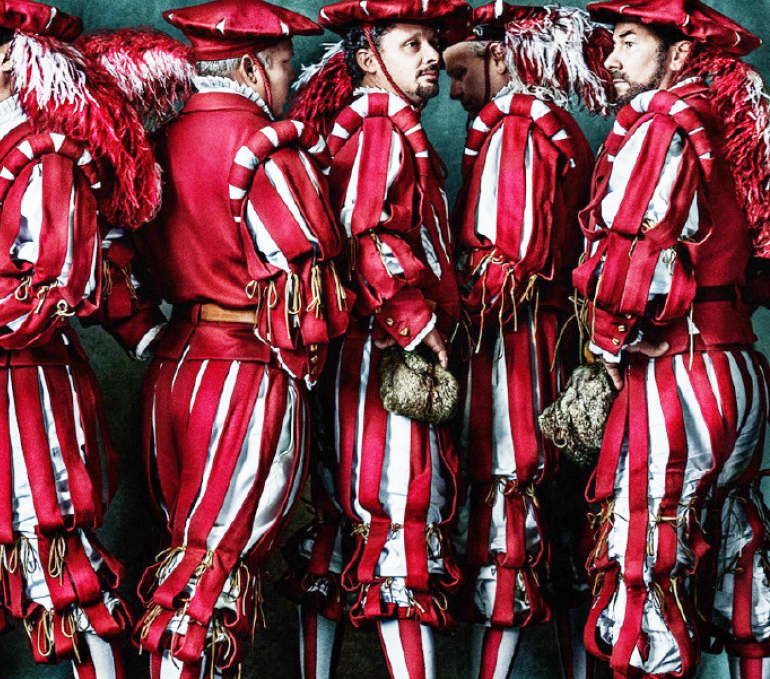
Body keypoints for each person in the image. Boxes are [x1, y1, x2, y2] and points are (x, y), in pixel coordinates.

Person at [0, 1, 161, 677]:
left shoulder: (46, 158)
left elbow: (47, 287)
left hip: (25, 396)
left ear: (11, 57)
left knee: (55, 564)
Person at [125, 1, 351, 677]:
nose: (290, 79)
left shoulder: (155, 140)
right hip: (247, 369)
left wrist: (143, 332)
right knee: (212, 566)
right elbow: (304, 285)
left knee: (187, 547)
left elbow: (111, 254)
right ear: (254, 64)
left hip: (172, 365)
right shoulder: (265, 145)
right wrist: (309, 362)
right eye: (284, 64)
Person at [574, 0, 770, 676]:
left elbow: (640, 249)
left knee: (643, 565)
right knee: (738, 555)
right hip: (740, 365)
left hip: (679, 373)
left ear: (679, 54)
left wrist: (607, 345)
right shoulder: (733, 120)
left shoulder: (665, 121)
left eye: (629, 42)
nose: (615, 59)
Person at [289, 1, 470, 677]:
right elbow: (367, 234)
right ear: (369, 58)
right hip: (382, 356)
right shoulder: (376, 129)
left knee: (344, 528)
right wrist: (417, 322)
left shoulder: (378, 127)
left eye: (433, 42)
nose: (431, 56)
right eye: (411, 43)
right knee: (398, 517)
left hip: (357, 358)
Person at [442, 4, 607, 678]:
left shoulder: (515, 125)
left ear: (502, 57)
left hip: (513, 346)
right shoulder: (557, 126)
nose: (453, 89)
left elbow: (505, 266)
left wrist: (434, 309)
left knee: (507, 507)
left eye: (461, 70)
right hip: (559, 340)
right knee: (560, 523)